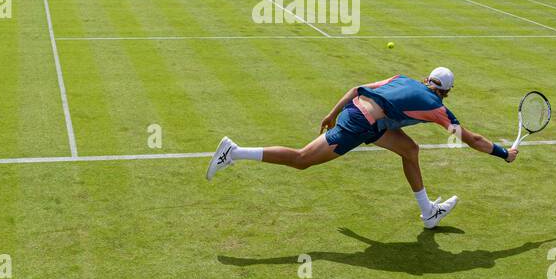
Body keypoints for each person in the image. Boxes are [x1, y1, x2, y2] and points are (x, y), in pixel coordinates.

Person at [205, 67, 517, 230]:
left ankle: (428, 213)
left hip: (359, 114)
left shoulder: (402, 78)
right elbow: (472, 139)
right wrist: (504, 154)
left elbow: (356, 88)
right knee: (302, 160)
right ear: (446, 92)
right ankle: (234, 152)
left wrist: (331, 113)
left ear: (426, 79)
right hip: (360, 124)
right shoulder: (437, 107)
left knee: (410, 150)